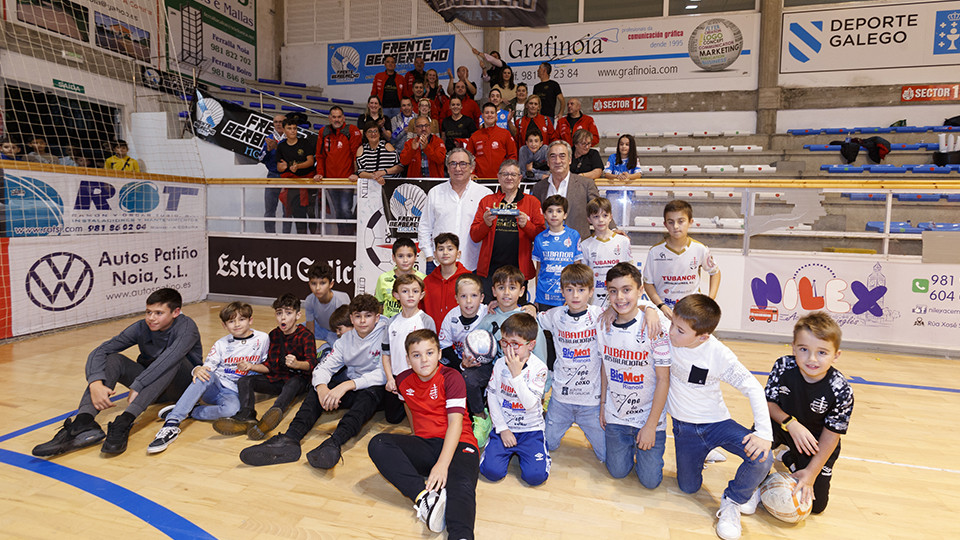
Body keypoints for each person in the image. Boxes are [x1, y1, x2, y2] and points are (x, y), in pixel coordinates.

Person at [32, 288, 202, 457]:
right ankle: (82, 423)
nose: (151, 318)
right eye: (148, 312)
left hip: (183, 387)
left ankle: (124, 422)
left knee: (172, 361)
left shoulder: (187, 327)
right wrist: (95, 383)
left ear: (175, 312)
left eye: (159, 313)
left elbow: (168, 359)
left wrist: (138, 384)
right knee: (113, 359)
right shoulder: (141, 327)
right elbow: (100, 351)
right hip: (151, 388)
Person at [238, 294, 388, 470]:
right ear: (351, 318)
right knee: (316, 389)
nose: (362, 321)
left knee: (368, 395)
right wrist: (322, 388)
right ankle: (290, 438)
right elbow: (323, 368)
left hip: (378, 392)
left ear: (377, 317)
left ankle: (334, 443)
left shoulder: (386, 335)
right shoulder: (345, 341)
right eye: (357, 316)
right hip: (352, 385)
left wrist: (347, 385)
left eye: (368, 316)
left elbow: (385, 373)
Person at [667, 294, 773, 540]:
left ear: (703, 337)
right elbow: (640, 304)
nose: (671, 332)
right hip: (685, 430)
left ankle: (733, 500)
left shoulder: (719, 354)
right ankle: (706, 452)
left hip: (717, 423)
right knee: (688, 488)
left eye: (680, 330)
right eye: (672, 323)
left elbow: (754, 388)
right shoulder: (671, 332)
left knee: (762, 458)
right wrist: (651, 310)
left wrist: (764, 434)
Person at [367, 329, 480, 538]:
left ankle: (461, 535)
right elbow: (409, 406)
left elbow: (455, 423)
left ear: (439, 354)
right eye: (416, 355)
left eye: (429, 353)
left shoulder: (451, 377)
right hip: (427, 444)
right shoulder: (403, 380)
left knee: (461, 486)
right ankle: (425, 498)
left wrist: (442, 465)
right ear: (408, 359)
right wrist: (415, 435)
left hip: (459, 443)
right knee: (378, 443)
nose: (424, 360)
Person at [147, 302, 269, 453]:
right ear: (224, 325)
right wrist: (197, 369)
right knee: (204, 374)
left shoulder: (263, 338)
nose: (237, 324)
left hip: (234, 392)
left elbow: (267, 365)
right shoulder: (221, 344)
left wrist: (252, 366)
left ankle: (191, 411)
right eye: (231, 321)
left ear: (250, 320)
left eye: (241, 319)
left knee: (232, 411)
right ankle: (172, 423)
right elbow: (208, 368)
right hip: (215, 386)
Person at [765, 312, 853, 516]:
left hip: (813, 441)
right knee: (756, 445)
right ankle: (755, 481)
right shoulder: (783, 366)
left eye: (822, 352)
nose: (812, 359)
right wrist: (790, 423)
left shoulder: (841, 389)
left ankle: (789, 457)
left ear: (836, 355)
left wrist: (811, 474)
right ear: (793, 347)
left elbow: (831, 435)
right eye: (804, 349)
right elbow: (768, 404)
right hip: (782, 424)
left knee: (816, 506)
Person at [597, 263, 671, 488]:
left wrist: (650, 426)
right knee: (617, 472)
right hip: (617, 417)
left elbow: (664, 380)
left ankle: (644, 449)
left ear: (640, 291)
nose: (619, 297)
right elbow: (605, 366)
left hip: (648, 419)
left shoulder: (656, 326)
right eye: (613, 291)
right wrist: (603, 404)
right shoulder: (603, 324)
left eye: (626, 290)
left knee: (650, 481)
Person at [212, 293, 318, 440]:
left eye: (288, 313)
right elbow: (270, 366)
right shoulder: (273, 335)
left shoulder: (305, 335)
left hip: (298, 380)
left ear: (298, 315)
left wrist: (297, 364)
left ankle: (272, 415)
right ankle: (247, 415)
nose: (283, 318)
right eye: (279, 313)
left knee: (293, 382)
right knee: (245, 380)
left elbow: (312, 365)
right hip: (277, 379)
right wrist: (251, 366)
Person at [469, 266, 549, 446]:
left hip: (523, 374)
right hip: (495, 372)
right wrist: (468, 360)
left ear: (521, 291)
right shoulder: (488, 317)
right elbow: (474, 343)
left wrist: (543, 390)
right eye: (501, 288)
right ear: (493, 291)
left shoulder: (528, 318)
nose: (506, 293)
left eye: (512, 288)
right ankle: (482, 417)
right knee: (468, 376)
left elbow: (540, 356)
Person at [537, 263, 605, 461]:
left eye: (581, 290)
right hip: (561, 400)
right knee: (548, 444)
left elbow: (630, 309)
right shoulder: (555, 315)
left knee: (606, 456)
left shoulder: (600, 315)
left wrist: (650, 310)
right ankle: (545, 415)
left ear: (591, 292)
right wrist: (529, 307)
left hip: (591, 402)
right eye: (569, 290)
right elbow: (529, 317)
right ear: (562, 291)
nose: (575, 296)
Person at [479, 313, 551, 486]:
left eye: (515, 344)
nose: (508, 349)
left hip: (530, 430)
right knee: (490, 472)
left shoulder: (539, 368)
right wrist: (502, 429)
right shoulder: (499, 364)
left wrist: (516, 375)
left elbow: (530, 404)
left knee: (535, 477)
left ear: (531, 345)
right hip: (505, 427)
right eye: (504, 342)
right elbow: (492, 396)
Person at [470, 160, 545, 301]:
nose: (509, 178)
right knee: (489, 310)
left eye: (513, 174)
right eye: (505, 174)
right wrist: (486, 224)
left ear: (520, 178)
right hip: (490, 271)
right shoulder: (487, 201)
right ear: (498, 177)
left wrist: (527, 225)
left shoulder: (532, 202)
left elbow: (541, 236)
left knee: (516, 312)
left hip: (519, 271)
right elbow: (474, 236)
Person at [418, 148, 493, 273]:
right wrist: (429, 256)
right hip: (439, 265)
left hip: (473, 265)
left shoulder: (484, 194)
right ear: (447, 168)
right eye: (453, 163)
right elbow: (425, 227)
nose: (458, 168)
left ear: (472, 167)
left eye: (463, 164)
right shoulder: (435, 192)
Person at [643, 199, 721, 320]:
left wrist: (710, 299)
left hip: (692, 310)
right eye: (671, 222)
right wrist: (661, 306)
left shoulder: (700, 249)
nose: (675, 226)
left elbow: (715, 273)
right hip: (665, 311)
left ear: (690, 222)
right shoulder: (655, 252)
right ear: (665, 224)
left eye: (681, 221)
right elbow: (648, 283)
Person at [381, 274, 436, 424]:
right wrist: (390, 378)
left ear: (421, 295)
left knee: (425, 415)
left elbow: (433, 353)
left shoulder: (426, 321)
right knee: (394, 417)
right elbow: (386, 354)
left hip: (421, 377)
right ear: (396, 295)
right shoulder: (391, 323)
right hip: (399, 377)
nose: (411, 295)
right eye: (405, 291)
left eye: (415, 291)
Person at [531, 140, 601, 240]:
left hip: (578, 244)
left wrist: (613, 229)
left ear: (570, 160)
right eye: (553, 156)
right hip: (547, 244)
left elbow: (599, 209)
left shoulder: (586, 184)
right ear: (548, 162)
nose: (557, 161)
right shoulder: (539, 187)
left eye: (562, 156)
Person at [314, 106, 363, 235]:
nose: (337, 119)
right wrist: (320, 173)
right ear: (329, 118)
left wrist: (356, 173)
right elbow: (320, 156)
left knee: (345, 209)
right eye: (334, 117)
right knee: (338, 211)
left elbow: (356, 155)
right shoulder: (323, 132)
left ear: (344, 118)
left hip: (347, 180)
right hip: (331, 180)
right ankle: (343, 237)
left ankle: (349, 237)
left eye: (339, 117)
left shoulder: (351, 130)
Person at [532, 195, 583, 311]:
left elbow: (578, 268)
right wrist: (538, 297)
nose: (554, 215)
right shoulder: (539, 238)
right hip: (545, 296)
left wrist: (576, 294)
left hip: (567, 296)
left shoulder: (574, 235)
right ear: (544, 215)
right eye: (550, 211)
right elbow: (539, 270)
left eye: (559, 211)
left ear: (565, 215)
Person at [580, 197, 632, 307]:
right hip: (595, 302)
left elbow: (630, 273)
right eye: (596, 216)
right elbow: (584, 278)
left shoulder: (623, 241)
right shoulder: (585, 245)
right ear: (589, 219)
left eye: (605, 215)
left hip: (620, 301)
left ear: (610, 217)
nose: (601, 220)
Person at [439, 274, 489, 369]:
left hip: (484, 363)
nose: (468, 301)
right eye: (463, 296)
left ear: (481, 298)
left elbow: (507, 309)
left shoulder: (488, 312)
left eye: (474, 295)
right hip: (458, 361)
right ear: (457, 298)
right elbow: (444, 347)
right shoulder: (451, 317)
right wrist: (460, 365)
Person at [276, 117, 316, 234]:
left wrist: (298, 166)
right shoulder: (281, 146)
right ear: (284, 130)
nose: (293, 131)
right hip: (293, 184)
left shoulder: (304, 142)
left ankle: (315, 238)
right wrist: (283, 167)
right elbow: (279, 166)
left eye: (294, 128)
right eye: (289, 128)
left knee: (312, 212)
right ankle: (302, 237)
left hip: (309, 182)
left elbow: (310, 161)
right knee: (298, 213)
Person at [423, 233, 471, 326]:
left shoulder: (468, 279)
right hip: (432, 333)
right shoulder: (427, 281)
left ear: (458, 254)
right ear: (435, 254)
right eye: (441, 249)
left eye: (450, 249)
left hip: (461, 332)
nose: (445, 252)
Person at [375, 237, 427, 318]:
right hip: (389, 323)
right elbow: (378, 305)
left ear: (415, 257)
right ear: (393, 257)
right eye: (400, 256)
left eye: (409, 256)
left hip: (414, 323)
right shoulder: (383, 278)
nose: (405, 260)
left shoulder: (424, 279)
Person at [467, 102, 517, 179]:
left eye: (492, 113)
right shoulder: (475, 136)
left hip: (501, 179)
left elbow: (512, 155)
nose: (489, 115)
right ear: (482, 116)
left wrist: (509, 172)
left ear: (496, 116)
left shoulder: (505, 134)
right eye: (487, 113)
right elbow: (468, 157)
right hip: (479, 178)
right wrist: (471, 173)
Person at [304, 262, 351, 344]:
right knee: (295, 331)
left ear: (331, 284)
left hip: (336, 332)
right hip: (319, 328)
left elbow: (347, 329)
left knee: (337, 345)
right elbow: (310, 327)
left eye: (322, 283)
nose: (317, 288)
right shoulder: (309, 300)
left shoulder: (342, 300)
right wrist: (309, 345)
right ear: (309, 284)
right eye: (314, 283)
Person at [355, 120, 402, 186]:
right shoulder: (361, 149)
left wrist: (384, 172)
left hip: (390, 184)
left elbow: (400, 167)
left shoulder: (388, 146)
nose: (373, 134)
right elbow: (360, 172)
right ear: (365, 134)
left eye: (375, 131)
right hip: (371, 185)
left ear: (379, 134)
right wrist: (374, 176)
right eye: (370, 131)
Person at [262, 114, 287, 233]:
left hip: (288, 177)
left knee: (287, 210)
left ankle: (286, 237)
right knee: (269, 209)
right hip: (272, 175)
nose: (278, 124)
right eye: (276, 122)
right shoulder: (269, 138)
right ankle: (269, 236)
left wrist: (277, 148)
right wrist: (268, 150)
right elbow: (261, 158)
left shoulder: (291, 138)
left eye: (281, 122)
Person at [371, 54, 407, 119]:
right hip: (383, 108)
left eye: (392, 62)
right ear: (385, 64)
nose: (390, 64)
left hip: (398, 108)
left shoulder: (401, 78)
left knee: (398, 125)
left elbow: (405, 95)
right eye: (388, 62)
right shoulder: (378, 76)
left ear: (395, 65)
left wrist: (404, 107)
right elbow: (373, 93)